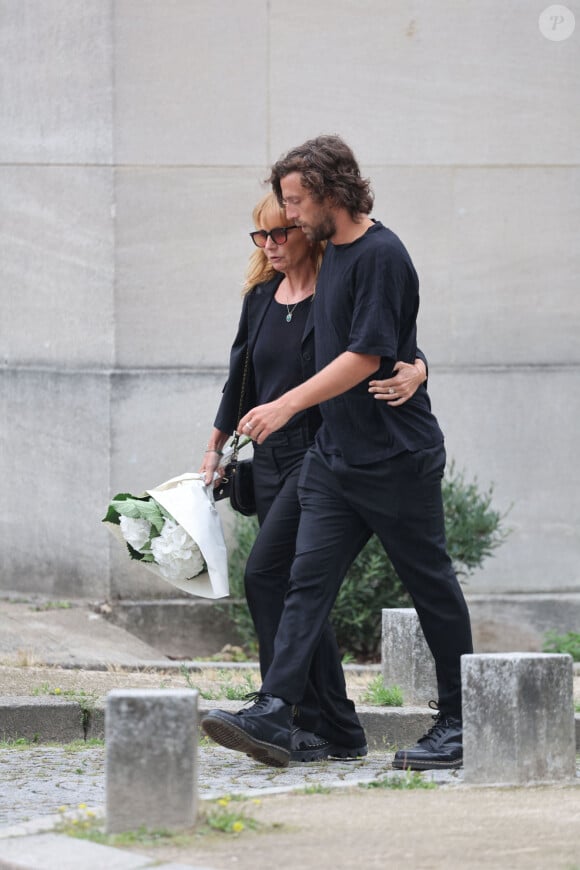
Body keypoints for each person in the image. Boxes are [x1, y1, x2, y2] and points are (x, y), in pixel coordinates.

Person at [201, 135, 473, 771]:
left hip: (395, 458)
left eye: (295, 201)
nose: (288, 216)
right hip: (335, 458)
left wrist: (290, 403)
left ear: (328, 192)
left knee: (430, 585)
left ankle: (460, 723)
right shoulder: (330, 258)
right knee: (300, 582)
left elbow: (373, 352)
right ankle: (278, 707)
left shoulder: (381, 254)